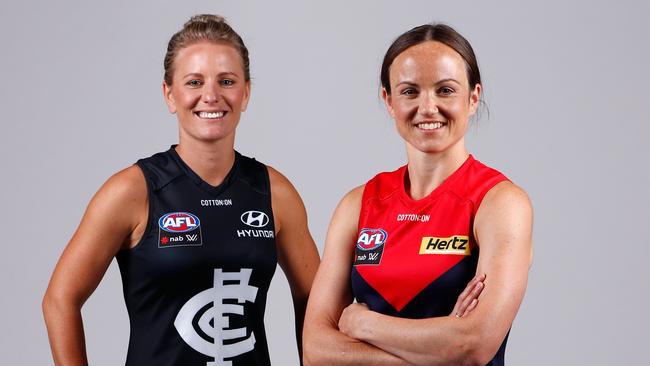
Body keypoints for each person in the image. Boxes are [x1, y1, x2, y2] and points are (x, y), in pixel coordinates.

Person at [42, 14, 321, 366]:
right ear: (169, 94)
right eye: (194, 82)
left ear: (246, 92)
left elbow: (316, 303)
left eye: (226, 80)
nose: (211, 95)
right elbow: (59, 299)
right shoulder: (132, 191)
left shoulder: (274, 192)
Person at [303, 23, 533, 366]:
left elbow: (474, 346)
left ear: (472, 98)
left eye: (445, 90)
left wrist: (363, 323)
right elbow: (316, 350)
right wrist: (440, 350)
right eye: (410, 91)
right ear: (389, 100)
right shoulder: (358, 205)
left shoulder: (499, 203)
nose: (427, 107)